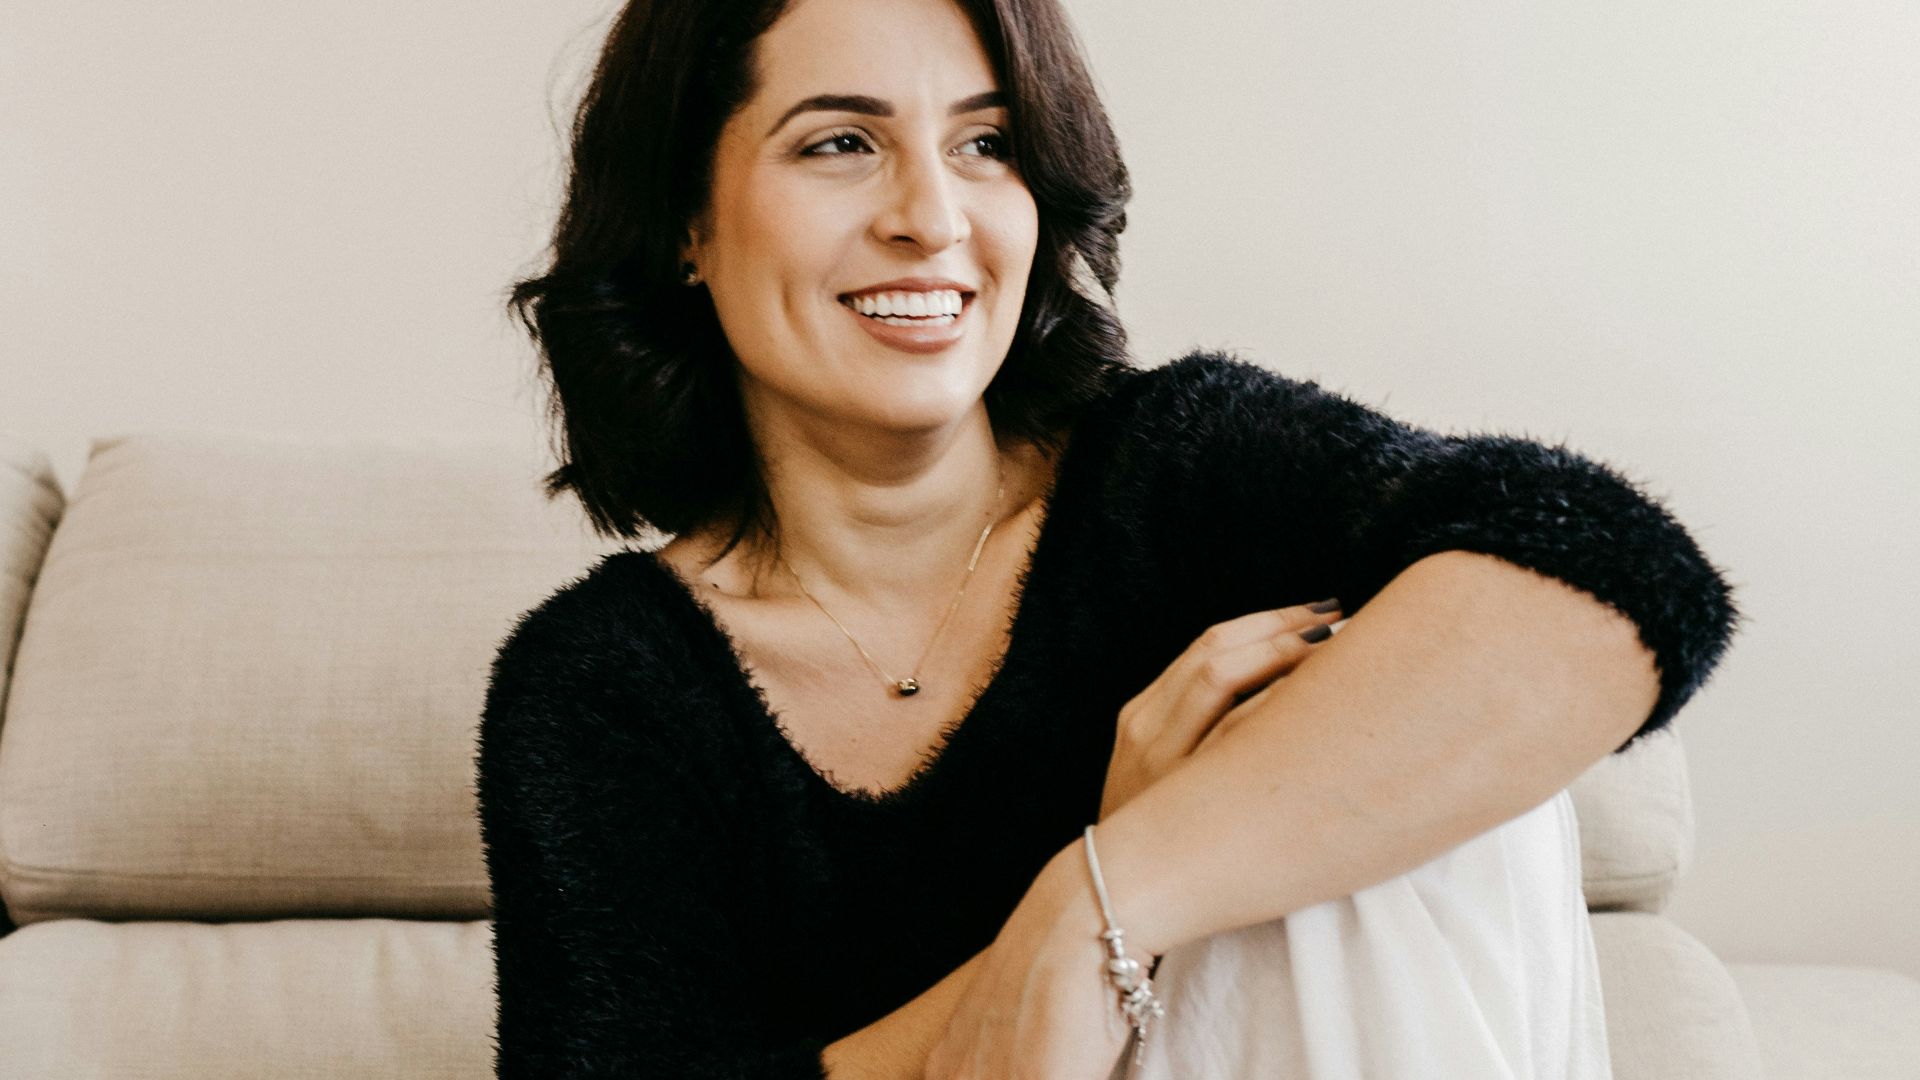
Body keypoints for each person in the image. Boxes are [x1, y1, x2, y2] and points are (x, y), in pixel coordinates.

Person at [475, 0, 1740, 1076]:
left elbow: (1621, 577)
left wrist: (1112, 892)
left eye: (986, 144)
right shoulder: (602, 688)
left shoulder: (1180, 468)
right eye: (843, 142)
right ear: (686, 224)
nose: (932, 215)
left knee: (1406, 741)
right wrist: (1041, 954)